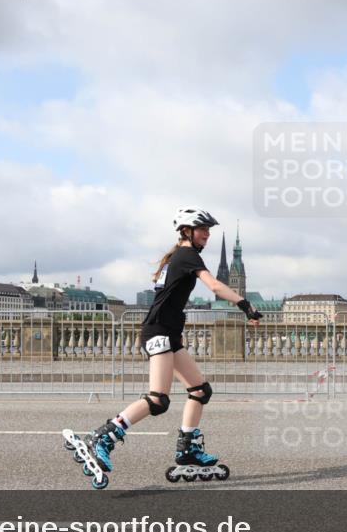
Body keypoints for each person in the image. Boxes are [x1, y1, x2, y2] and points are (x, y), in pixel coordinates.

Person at [67, 207, 262, 488]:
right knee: (158, 399)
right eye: (203, 229)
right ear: (187, 231)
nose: (207, 234)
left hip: (169, 333)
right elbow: (215, 286)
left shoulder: (179, 256)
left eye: (208, 230)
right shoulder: (187, 255)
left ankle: (188, 448)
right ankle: (104, 436)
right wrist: (245, 305)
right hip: (158, 331)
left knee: (200, 390)